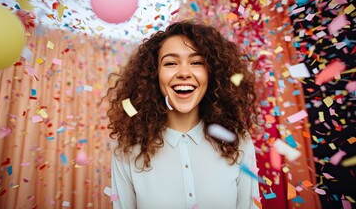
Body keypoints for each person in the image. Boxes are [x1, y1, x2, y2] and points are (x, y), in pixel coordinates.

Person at [105, 20, 260, 209]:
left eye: (196, 62)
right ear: (155, 74)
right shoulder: (127, 148)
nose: (184, 73)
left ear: (211, 73)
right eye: (171, 63)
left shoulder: (239, 142)